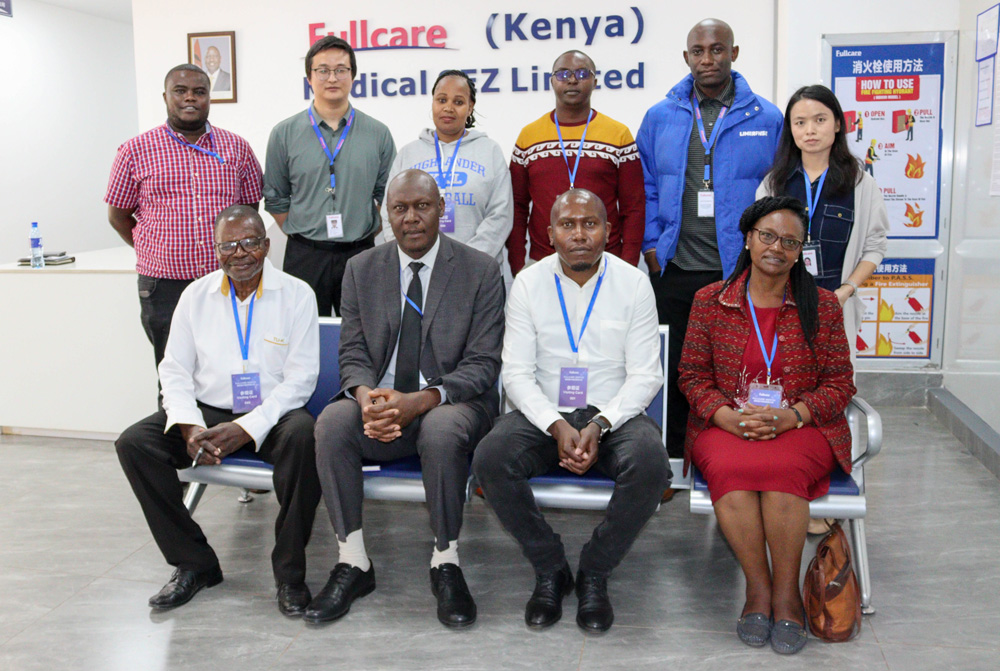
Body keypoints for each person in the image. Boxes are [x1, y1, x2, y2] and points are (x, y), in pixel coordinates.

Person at [306, 170, 505, 629]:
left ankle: (446, 560)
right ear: (386, 215)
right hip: (384, 403)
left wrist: (421, 400)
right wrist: (364, 398)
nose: (411, 218)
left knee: (439, 428)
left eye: (422, 206)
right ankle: (353, 560)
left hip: (452, 403)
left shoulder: (479, 269)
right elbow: (352, 351)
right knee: (332, 424)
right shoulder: (362, 269)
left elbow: (482, 365)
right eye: (400, 208)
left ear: (441, 210)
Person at [473, 189, 670, 634]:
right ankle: (550, 567)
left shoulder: (633, 283)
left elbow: (645, 375)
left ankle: (595, 571)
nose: (579, 234)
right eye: (567, 224)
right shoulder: (527, 282)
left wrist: (600, 423)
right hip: (544, 414)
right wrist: (557, 424)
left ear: (607, 230)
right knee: (490, 457)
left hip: (614, 415)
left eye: (590, 224)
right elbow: (517, 373)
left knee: (652, 464)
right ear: (550, 233)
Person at [115, 205, 322, 616]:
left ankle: (290, 574)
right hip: (208, 412)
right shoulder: (196, 295)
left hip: (273, 414)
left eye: (249, 242)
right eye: (229, 245)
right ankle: (195, 563)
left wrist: (245, 429)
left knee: (305, 437)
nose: (240, 253)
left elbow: (300, 381)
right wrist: (190, 427)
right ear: (216, 251)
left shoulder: (297, 294)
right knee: (135, 443)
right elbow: (173, 371)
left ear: (265, 245)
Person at [678, 196, 856, 655]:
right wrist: (727, 418)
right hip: (726, 423)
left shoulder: (822, 306)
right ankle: (758, 591)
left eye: (790, 241)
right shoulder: (710, 300)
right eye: (768, 235)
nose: (777, 247)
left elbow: (840, 384)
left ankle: (787, 595)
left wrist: (793, 415)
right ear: (749, 239)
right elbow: (692, 375)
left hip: (800, 427)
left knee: (781, 476)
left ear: (800, 250)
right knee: (732, 473)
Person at [636, 18, 783, 461]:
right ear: (686, 58)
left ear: (733, 54)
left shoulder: (766, 117)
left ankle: (729, 457)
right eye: (698, 51)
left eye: (717, 49)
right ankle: (672, 458)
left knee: (734, 368)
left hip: (738, 271)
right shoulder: (661, 116)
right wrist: (650, 247)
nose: (707, 59)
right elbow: (646, 187)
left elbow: (779, 193)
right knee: (676, 368)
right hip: (676, 267)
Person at [105, 64, 263, 368]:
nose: (190, 98)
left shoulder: (237, 148)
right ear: (166, 96)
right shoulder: (135, 150)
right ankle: (174, 417)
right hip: (164, 285)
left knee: (231, 365)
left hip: (226, 278)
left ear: (209, 98)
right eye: (181, 91)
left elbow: (248, 212)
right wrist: (153, 248)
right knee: (173, 371)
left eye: (199, 91)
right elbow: (118, 216)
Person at [264, 36, 396, 316]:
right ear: (309, 78)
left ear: (353, 76)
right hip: (306, 256)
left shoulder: (378, 133)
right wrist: (306, 228)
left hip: (361, 253)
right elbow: (275, 197)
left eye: (341, 69)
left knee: (366, 336)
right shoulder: (284, 134)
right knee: (303, 338)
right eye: (322, 70)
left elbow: (387, 194)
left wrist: (362, 227)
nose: (332, 77)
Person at [758, 85, 888, 354]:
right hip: (781, 304)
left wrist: (847, 290)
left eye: (820, 120)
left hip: (834, 305)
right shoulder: (774, 184)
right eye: (800, 122)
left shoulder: (861, 184)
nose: (810, 130)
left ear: (838, 124)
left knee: (832, 387)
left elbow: (875, 247)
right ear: (790, 129)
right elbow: (758, 244)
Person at [507, 50, 645, 274]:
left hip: (606, 262)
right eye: (563, 74)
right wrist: (518, 264)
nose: (572, 80)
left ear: (595, 81)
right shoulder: (528, 137)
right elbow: (516, 206)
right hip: (543, 263)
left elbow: (634, 207)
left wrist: (628, 264)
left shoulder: (619, 135)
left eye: (582, 73)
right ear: (551, 81)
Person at [382, 70, 513, 277]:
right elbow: (389, 212)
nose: (448, 108)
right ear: (432, 103)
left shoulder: (490, 151)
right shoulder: (409, 153)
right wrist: (409, 256)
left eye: (458, 102)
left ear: (470, 107)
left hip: (476, 270)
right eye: (441, 100)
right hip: (420, 270)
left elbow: (500, 215)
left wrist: (467, 260)